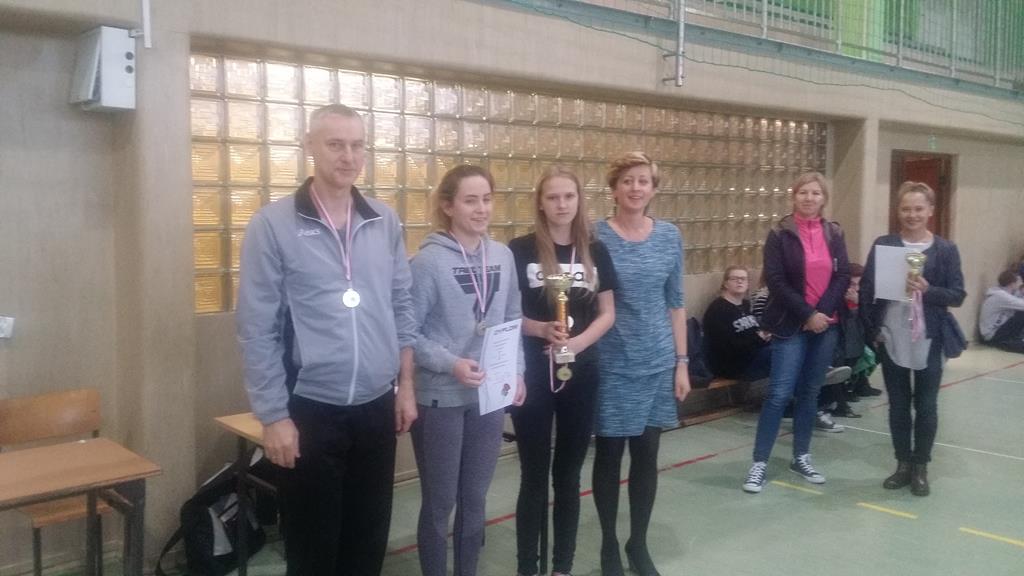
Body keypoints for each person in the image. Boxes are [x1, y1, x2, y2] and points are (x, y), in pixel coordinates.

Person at [236, 104, 417, 576]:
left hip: (376, 406)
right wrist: (274, 416)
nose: (348, 156)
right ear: (310, 147)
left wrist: (406, 386)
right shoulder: (273, 225)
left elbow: (402, 306)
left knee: (367, 544)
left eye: (357, 145)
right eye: (335, 144)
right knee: (314, 550)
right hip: (311, 409)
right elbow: (257, 327)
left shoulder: (383, 220)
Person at [410, 164, 526, 576]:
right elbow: (407, 334)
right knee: (440, 502)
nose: (481, 209)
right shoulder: (427, 262)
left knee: (475, 499)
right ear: (448, 206)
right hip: (440, 397)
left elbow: (512, 317)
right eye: (470, 200)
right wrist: (452, 363)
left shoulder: (503, 256)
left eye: (487, 200)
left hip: (488, 397)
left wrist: (517, 371)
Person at [508, 166, 618, 576]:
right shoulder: (520, 250)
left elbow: (608, 313)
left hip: (581, 374)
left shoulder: (595, 250)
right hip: (533, 376)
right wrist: (539, 329)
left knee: (569, 476)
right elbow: (505, 314)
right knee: (533, 476)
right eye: (553, 197)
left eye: (569, 196)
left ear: (579, 200)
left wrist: (578, 343)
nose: (561, 204)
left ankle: (562, 567)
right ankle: (527, 567)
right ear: (540, 202)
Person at [592, 152, 691, 576]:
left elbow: (676, 303)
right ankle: (608, 544)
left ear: (653, 188)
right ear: (614, 188)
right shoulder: (595, 235)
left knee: (647, 456)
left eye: (643, 181)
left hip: (658, 361)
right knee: (609, 456)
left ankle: (638, 542)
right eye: (628, 180)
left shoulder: (669, 236)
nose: (636, 188)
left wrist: (682, 363)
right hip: (612, 362)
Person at [742, 171, 850, 494]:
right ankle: (759, 462)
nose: (809, 198)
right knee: (778, 394)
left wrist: (821, 314)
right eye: (803, 192)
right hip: (790, 326)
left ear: (823, 198)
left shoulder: (834, 232)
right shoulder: (780, 234)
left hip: (825, 326)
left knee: (810, 393)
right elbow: (775, 280)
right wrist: (807, 314)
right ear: (794, 196)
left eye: (816, 193)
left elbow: (842, 275)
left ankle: (801, 456)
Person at [860, 181, 966, 497]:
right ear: (898, 211)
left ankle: (921, 466)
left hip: (929, 338)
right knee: (898, 405)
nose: (912, 215)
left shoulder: (945, 250)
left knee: (926, 405)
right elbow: (867, 290)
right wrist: (872, 330)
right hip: (891, 334)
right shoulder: (885, 245)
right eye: (906, 209)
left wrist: (928, 290)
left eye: (919, 208)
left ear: (930, 210)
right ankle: (902, 463)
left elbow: (958, 295)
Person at [702, 265, 771, 381]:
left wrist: (766, 336)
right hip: (733, 365)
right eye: (734, 278)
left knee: (785, 348)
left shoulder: (746, 305)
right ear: (725, 283)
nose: (740, 281)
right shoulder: (717, 309)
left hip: (753, 357)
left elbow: (754, 334)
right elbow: (726, 346)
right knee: (782, 353)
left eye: (743, 279)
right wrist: (759, 339)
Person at [978, 269, 1024, 353]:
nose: (1021, 284)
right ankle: (1008, 342)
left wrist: (1021, 293)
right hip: (992, 335)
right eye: (1019, 282)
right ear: (1012, 284)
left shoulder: (1003, 293)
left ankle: (1014, 341)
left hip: (996, 332)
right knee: (1021, 314)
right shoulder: (1001, 296)